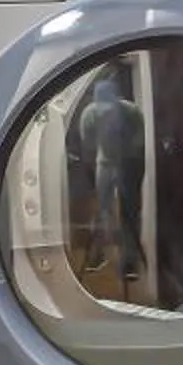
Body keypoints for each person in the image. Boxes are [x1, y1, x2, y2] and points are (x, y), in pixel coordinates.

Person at [70, 62, 148, 287]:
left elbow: (140, 142)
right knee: (102, 209)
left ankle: (130, 261)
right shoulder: (89, 115)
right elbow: (88, 145)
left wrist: (130, 171)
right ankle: (98, 252)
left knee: (130, 212)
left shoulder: (132, 112)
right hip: (104, 163)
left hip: (131, 163)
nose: (106, 113)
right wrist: (96, 168)